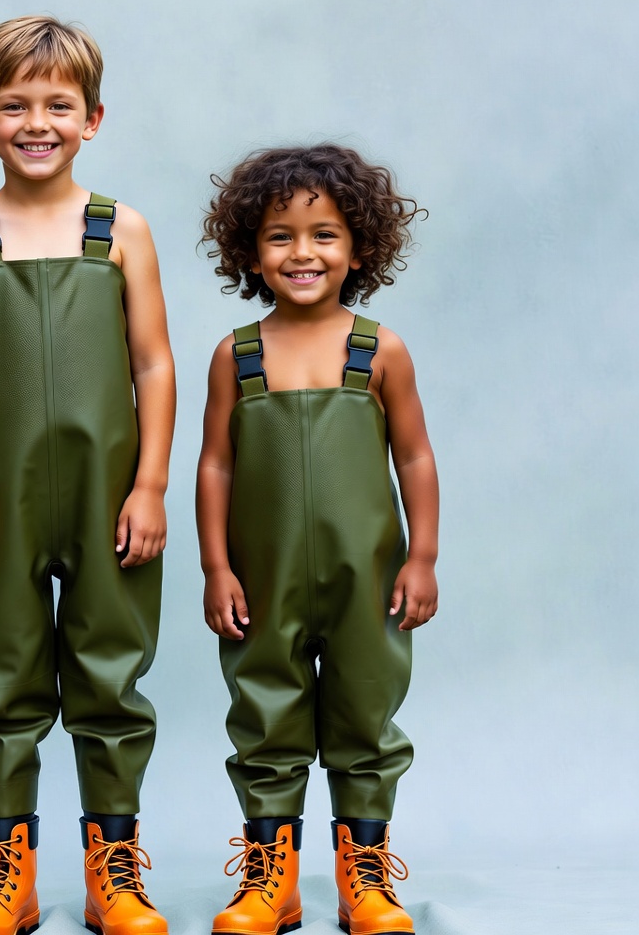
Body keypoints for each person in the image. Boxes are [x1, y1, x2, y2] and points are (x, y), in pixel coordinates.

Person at [0, 15, 176, 935]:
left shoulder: (122, 231)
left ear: (93, 118)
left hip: (113, 503)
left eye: (58, 105)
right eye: (14, 104)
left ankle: (115, 871)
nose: (38, 122)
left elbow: (153, 364)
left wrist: (149, 485)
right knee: (4, 683)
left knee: (111, 680)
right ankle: (7, 875)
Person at [196, 144, 438, 935]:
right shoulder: (238, 355)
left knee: (365, 720)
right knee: (266, 720)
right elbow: (216, 466)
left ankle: (363, 880)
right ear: (250, 253)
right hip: (262, 585)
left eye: (324, 234)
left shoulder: (380, 350)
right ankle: (272, 880)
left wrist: (424, 557)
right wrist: (215, 568)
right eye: (280, 236)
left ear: (360, 246)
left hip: (367, 583)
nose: (303, 253)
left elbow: (414, 458)